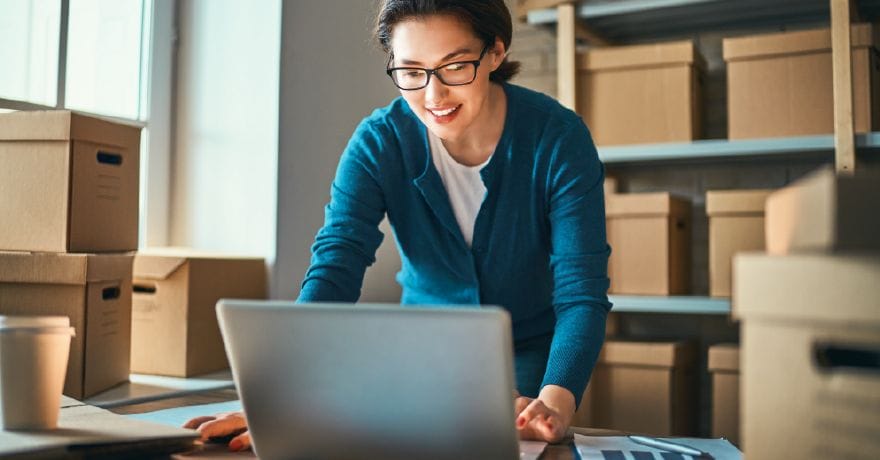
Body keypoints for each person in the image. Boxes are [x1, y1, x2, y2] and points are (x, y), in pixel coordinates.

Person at [185, 0, 611, 451]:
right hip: (420, 364)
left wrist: (555, 402)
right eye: (411, 71)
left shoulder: (558, 138)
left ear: (495, 53)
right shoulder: (379, 142)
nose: (434, 96)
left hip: (534, 358)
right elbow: (335, 267)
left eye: (454, 67)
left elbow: (580, 292)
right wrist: (283, 396)